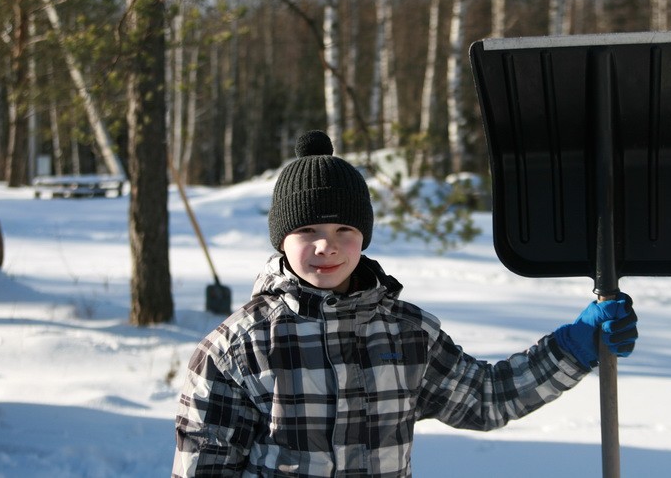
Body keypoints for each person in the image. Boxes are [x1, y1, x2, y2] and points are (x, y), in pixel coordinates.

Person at [172, 130, 638, 478]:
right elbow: (205, 465)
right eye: (307, 231)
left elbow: (486, 398)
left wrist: (573, 347)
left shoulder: (406, 333)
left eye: (344, 231)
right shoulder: (238, 348)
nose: (326, 246)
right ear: (281, 239)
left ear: (364, 237)